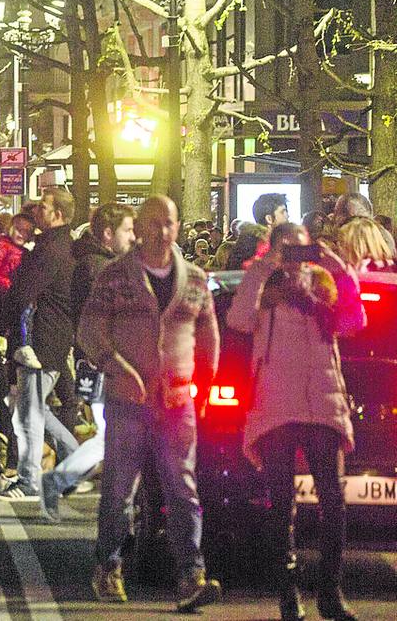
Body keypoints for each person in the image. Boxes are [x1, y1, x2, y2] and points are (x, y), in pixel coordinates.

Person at [78, 195, 221, 612]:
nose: (162, 231)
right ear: (138, 227)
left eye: (169, 223)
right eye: (154, 223)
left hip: (177, 403)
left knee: (183, 489)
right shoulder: (114, 277)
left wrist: (205, 386)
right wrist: (116, 366)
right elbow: (90, 328)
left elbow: (209, 336)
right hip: (128, 402)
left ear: (177, 227)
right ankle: (108, 564)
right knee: (120, 490)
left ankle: (191, 573)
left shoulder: (194, 279)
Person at [228, 223, 364, 621]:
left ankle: (330, 592)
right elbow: (238, 320)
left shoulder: (323, 287)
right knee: (280, 504)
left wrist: (334, 264)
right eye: (288, 250)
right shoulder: (263, 289)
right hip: (276, 405)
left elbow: (354, 320)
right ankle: (288, 595)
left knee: (334, 501)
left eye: (300, 250)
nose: (294, 259)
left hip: (323, 404)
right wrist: (266, 265)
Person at [39, 203, 136, 521]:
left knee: (115, 433)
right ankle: (59, 481)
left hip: (95, 362)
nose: (132, 237)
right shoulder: (97, 267)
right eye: (127, 230)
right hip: (100, 363)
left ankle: (120, 500)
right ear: (109, 233)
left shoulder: (98, 263)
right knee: (113, 433)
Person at [0, 187, 79, 502]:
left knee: (27, 415)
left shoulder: (49, 251)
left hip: (39, 342)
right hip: (51, 339)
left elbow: (22, 292)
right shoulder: (60, 246)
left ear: (55, 214)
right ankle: (74, 463)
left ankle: (29, 480)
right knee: (35, 410)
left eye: (43, 206)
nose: (36, 212)